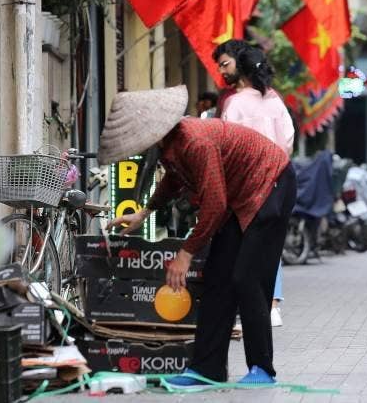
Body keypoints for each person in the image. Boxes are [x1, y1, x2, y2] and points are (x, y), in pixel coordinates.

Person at [98, 85, 295, 386]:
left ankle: (262, 369)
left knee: (246, 278)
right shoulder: (171, 145)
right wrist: (144, 212)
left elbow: (214, 205)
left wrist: (185, 254)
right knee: (217, 278)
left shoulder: (194, 141)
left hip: (271, 185)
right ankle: (207, 369)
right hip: (239, 197)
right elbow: (173, 181)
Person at [212, 39, 294, 327]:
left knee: (243, 245)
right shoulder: (275, 100)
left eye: (225, 64)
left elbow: (226, 142)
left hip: (245, 182)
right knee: (271, 243)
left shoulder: (234, 103)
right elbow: (288, 140)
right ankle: (271, 304)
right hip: (278, 179)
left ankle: (243, 309)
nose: (222, 71)